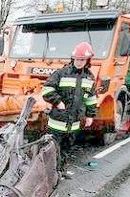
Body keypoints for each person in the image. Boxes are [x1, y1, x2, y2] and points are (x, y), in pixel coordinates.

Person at [42, 41, 98, 177]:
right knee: (51, 148)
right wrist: (58, 102)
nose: (79, 62)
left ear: (87, 60)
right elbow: (47, 89)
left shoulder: (89, 78)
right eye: (77, 59)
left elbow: (91, 99)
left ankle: (60, 171)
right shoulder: (61, 73)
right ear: (73, 59)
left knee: (66, 148)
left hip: (73, 123)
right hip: (57, 122)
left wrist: (90, 116)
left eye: (82, 60)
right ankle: (46, 173)